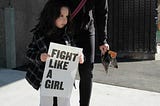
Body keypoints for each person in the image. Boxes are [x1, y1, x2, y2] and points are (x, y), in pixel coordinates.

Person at [25, 0, 83, 106]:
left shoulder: (67, 34)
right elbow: (29, 53)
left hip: (64, 78)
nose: (64, 20)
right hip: (46, 78)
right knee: (46, 102)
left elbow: (73, 49)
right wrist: (39, 57)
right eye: (61, 16)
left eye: (66, 17)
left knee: (64, 102)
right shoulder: (40, 35)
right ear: (52, 15)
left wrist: (79, 56)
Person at [68, 0, 110, 106]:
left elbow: (102, 13)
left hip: (86, 30)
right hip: (65, 28)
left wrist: (103, 41)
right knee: (64, 71)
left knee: (87, 72)